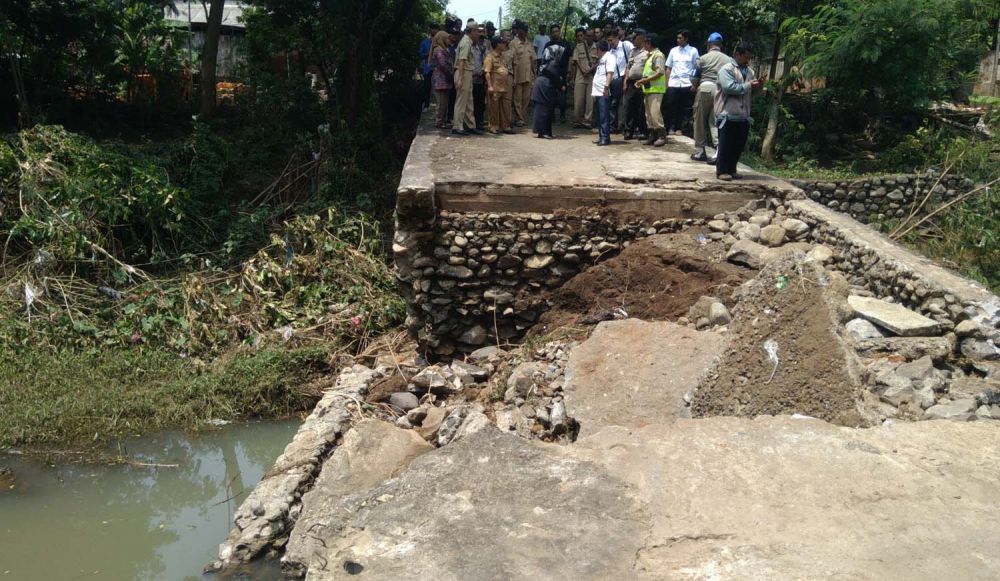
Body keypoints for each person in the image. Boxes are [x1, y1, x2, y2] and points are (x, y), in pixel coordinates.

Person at [714, 42, 765, 180]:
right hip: (727, 114)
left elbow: (751, 93)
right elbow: (729, 88)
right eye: (746, 57)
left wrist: (759, 86)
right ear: (738, 54)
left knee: (738, 145)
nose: (748, 61)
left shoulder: (750, 71)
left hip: (743, 115)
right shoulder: (727, 69)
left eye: (749, 58)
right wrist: (749, 85)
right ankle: (722, 171)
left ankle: (732, 169)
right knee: (725, 144)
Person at [691, 32, 728, 162]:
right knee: (715, 121)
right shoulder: (728, 60)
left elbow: (694, 77)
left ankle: (700, 151)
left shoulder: (702, 58)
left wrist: (694, 86)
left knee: (699, 120)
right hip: (720, 91)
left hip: (705, 88)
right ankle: (718, 150)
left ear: (709, 44)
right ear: (720, 45)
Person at [662, 30, 699, 136]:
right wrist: (666, 83)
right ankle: (668, 127)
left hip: (686, 83)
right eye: (677, 38)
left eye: (680, 38)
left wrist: (694, 84)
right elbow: (668, 67)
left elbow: (696, 68)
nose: (678, 40)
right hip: (673, 82)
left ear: (686, 39)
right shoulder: (673, 50)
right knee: (669, 105)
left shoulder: (693, 51)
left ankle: (679, 128)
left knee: (682, 106)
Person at [532, 35, 570, 138]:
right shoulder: (553, 63)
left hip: (542, 85)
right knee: (544, 109)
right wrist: (561, 86)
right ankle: (544, 132)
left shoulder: (547, 62)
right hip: (544, 86)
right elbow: (554, 75)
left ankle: (544, 132)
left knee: (544, 109)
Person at [635, 33, 667, 146]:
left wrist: (644, 80)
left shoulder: (658, 55)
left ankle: (662, 136)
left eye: (645, 42)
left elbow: (660, 72)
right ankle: (652, 135)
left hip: (656, 89)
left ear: (649, 43)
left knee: (655, 113)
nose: (644, 44)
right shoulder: (650, 55)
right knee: (648, 115)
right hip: (648, 89)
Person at [452, 20, 483, 135]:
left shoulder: (468, 41)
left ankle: (470, 125)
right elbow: (461, 61)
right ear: (473, 31)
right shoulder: (466, 42)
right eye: (477, 31)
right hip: (463, 73)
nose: (478, 34)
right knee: (461, 101)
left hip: (467, 73)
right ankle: (457, 126)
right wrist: (460, 78)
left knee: (469, 101)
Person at [542, 24, 573, 123]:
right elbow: (544, 60)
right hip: (551, 73)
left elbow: (570, 58)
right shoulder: (548, 45)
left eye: (557, 31)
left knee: (562, 95)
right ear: (551, 33)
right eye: (553, 31)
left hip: (562, 72)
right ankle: (551, 115)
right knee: (550, 94)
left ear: (560, 32)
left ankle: (562, 115)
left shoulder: (566, 44)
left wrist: (569, 72)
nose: (555, 33)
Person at [484, 36, 514, 134]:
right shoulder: (490, 57)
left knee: (506, 107)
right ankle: (493, 126)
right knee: (494, 108)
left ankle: (506, 126)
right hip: (495, 86)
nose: (505, 44)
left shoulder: (503, 56)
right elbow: (487, 72)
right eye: (502, 43)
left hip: (505, 86)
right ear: (497, 44)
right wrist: (490, 86)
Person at [622, 29, 648, 140]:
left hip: (642, 82)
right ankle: (629, 131)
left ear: (641, 38)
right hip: (631, 83)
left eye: (634, 38)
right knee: (628, 107)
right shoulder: (632, 52)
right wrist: (625, 81)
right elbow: (628, 67)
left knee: (641, 108)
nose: (632, 40)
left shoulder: (647, 52)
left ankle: (642, 130)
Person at [510, 21, 536, 127]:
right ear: (519, 30)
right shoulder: (513, 43)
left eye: (526, 30)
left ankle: (523, 117)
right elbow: (511, 60)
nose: (525, 32)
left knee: (526, 98)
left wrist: (535, 73)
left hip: (528, 75)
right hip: (518, 75)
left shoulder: (529, 44)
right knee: (517, 99)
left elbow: (533, 60)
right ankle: (518, 118)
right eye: (523, 30)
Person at [591, 40, 615, 146]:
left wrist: (606, 87)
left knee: (604, 115)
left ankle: (605, 137)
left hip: (603, 91)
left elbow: (610, 73)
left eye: (597, 49)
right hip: (598, 91)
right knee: (599, 116)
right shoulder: (602, 59)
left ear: (600, 50)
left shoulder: (610, 57)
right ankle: (601, 136)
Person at [571, 27, 595, 128]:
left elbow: (599, 62)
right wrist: (582, 71)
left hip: (591, 78)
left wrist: (589, 70)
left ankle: (587, 121)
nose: (589, 37)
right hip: (580, 77)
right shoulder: (578, 47)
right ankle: (577, 121)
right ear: (585, 36)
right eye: (587, 35)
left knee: (590, 101)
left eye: (591, 35)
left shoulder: (596, 47)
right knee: (578, 101)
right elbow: (575, 61)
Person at [429, 30, 453, 128]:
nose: (449, 40)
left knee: (444, 102)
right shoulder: (439, 50)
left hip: (443, 79)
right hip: (441, 79)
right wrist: (450, 74)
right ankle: (439, 121)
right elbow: (443, 65)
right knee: (441, 102)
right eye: (447, 38)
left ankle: (442, 121)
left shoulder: (442, 49)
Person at [607, 29, 628, 133]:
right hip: (614, 79)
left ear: (616, 38)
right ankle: (614, 126)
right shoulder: (610, 51)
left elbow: (632, 58)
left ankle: (623, 125)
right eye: (608, 41)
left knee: (623, 103)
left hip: (624, 77)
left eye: (611, 40)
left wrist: (627, 77)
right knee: (614, 103)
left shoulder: (625, 45)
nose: (610, 43)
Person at [419, 23, 439, 110]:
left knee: (438, 87)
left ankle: (437, 107)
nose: (434, 30)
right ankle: (426, 105)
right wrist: (428, 54)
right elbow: (420, 54)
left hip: (438, 68)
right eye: (433, 28)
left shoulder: (440, 42)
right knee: (427, 86)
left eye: (436, 29)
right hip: (428, 67)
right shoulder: (425, 42)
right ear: (430, 30)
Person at [472, 27, 489, 130]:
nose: (481, 39)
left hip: (481, 79)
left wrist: (482, 71)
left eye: (482, 38)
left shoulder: (484, 49)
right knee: (472, 102)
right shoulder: (469, 47)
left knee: (481, 102)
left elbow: (487, 62)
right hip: (471, 79)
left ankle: (479, 121)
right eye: (479, 37)